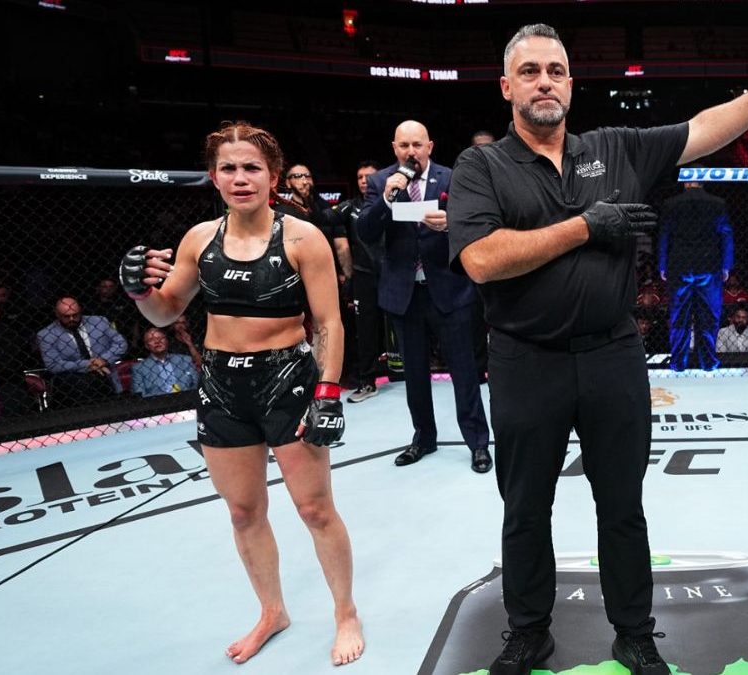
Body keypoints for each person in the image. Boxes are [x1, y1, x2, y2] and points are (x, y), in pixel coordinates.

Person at [447, 22, 748, 675]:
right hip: (524, 358)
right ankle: (528, 631)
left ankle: (635, 632)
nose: (544, 82)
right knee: (525, 506)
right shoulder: (482, 166)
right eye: (530, 71)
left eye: (555, 71)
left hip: (612, 355)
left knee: (622, 504)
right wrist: (586, 227)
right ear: (507, 86)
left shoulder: (615, 148)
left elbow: (706, 128)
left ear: (571, 83)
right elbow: (481, 258)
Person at [117, 121, 363, 666]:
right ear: (214, 177)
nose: (240, 177)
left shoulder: (303, 238)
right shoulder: (199, 239)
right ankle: (272, 612)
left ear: (273, 176)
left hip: (287, 379)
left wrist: (327, 392)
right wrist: (138, 291)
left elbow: (328, 322)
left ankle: (345, 612)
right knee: (243, 512)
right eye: (228, 168)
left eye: (251, 167)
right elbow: (165, 311)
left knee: (315, 508)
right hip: (223, 385)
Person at [356, 120, 491, 473]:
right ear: (394, 148)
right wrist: (386, 199)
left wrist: (450, 223)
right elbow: (365, 231)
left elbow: (477, 222)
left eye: (417, 144)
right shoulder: (380, 181)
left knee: (465, 371)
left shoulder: (452, 178)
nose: (411, 152)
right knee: (414, 375)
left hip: (449, 289)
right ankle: (424, 438)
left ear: (429, 146)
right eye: (404, 146)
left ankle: (478, 443)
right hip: (404, 294)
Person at [657, 178, 734, 371]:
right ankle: (708, 363)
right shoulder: (717, 203)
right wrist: (726, 266)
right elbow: (726, 234)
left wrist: (663, 265)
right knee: (708, 316)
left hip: (680, 266)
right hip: (708, 265)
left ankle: (678, 363)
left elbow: (664, 235)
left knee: (679, 316)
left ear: (686, 182)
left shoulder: (671, 203)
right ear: (702, 182)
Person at [335, 161, 390, 403]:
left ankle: (412, 375)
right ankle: (368, 381)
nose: (365, 181)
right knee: (366, 330)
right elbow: (321, 218)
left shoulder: (395, 202)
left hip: (394, 274)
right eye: (360, 177)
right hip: (364, 275)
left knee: (406, 326)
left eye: (370, 176)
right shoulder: (349, 207)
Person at [36, 296, 128, 408]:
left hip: (106, 376)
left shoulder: (99, 322)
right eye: (66, 316)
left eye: (75, 315)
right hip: (73, 387)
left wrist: (104, 360)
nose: (71, 319)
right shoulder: (46, 335)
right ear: (57, 314)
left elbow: (121, 344)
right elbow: (53, 364)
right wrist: (88, 364)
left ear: (80, 311)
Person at [130, 327, 199, 397]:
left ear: (167, 341)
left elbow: (197, 384)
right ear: (146, 346)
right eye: (151, 339)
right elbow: (139, 395)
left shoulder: (185, 360)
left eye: (160, 338)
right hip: (157, 402)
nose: (157, 341)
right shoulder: (139, 368)